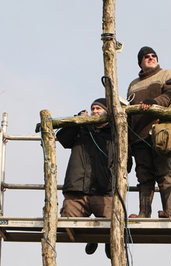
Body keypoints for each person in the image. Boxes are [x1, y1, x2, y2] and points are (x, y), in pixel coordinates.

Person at [127, 46, 171, 219]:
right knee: (144, 176)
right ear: (140, 62)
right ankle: (144, 213)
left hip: (161, 132)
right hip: (138, 137)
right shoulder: (133, 85)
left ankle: (169, 212)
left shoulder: (166, 74)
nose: (151, 58)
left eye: (153, 55)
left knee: (165, 173)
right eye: (146, 57)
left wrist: (154, 103)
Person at [57, 98, 114, 258]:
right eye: (93, 108)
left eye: (99, 109)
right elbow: (62, 138)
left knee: (112, 222)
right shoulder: (81, 129)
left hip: (104, 190)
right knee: (67, 221)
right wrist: (77, 120)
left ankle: (109, 242)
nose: (95, 111)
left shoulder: (115, 133)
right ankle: (91, 238)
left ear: (107, 112)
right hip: (78, 188)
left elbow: (127, 160)